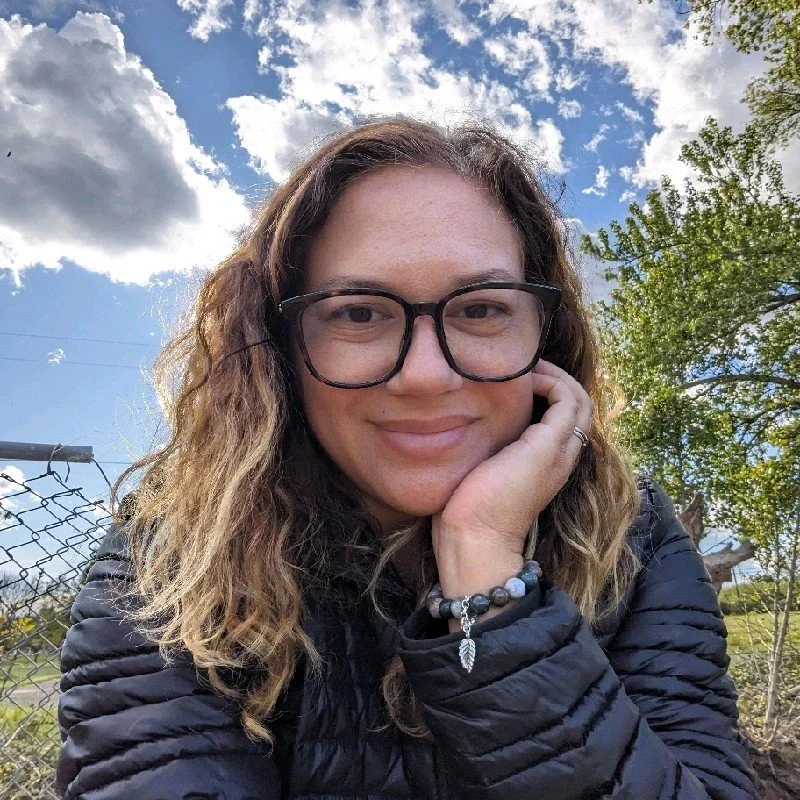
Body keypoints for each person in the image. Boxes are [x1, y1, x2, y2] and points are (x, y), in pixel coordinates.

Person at [56, 116, 760, 800]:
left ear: (545, 337)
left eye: (481, 308)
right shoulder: (172, 558)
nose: (425, 375)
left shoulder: (633, 536)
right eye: (357, 312)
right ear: (279, 349)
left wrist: (487, 569)